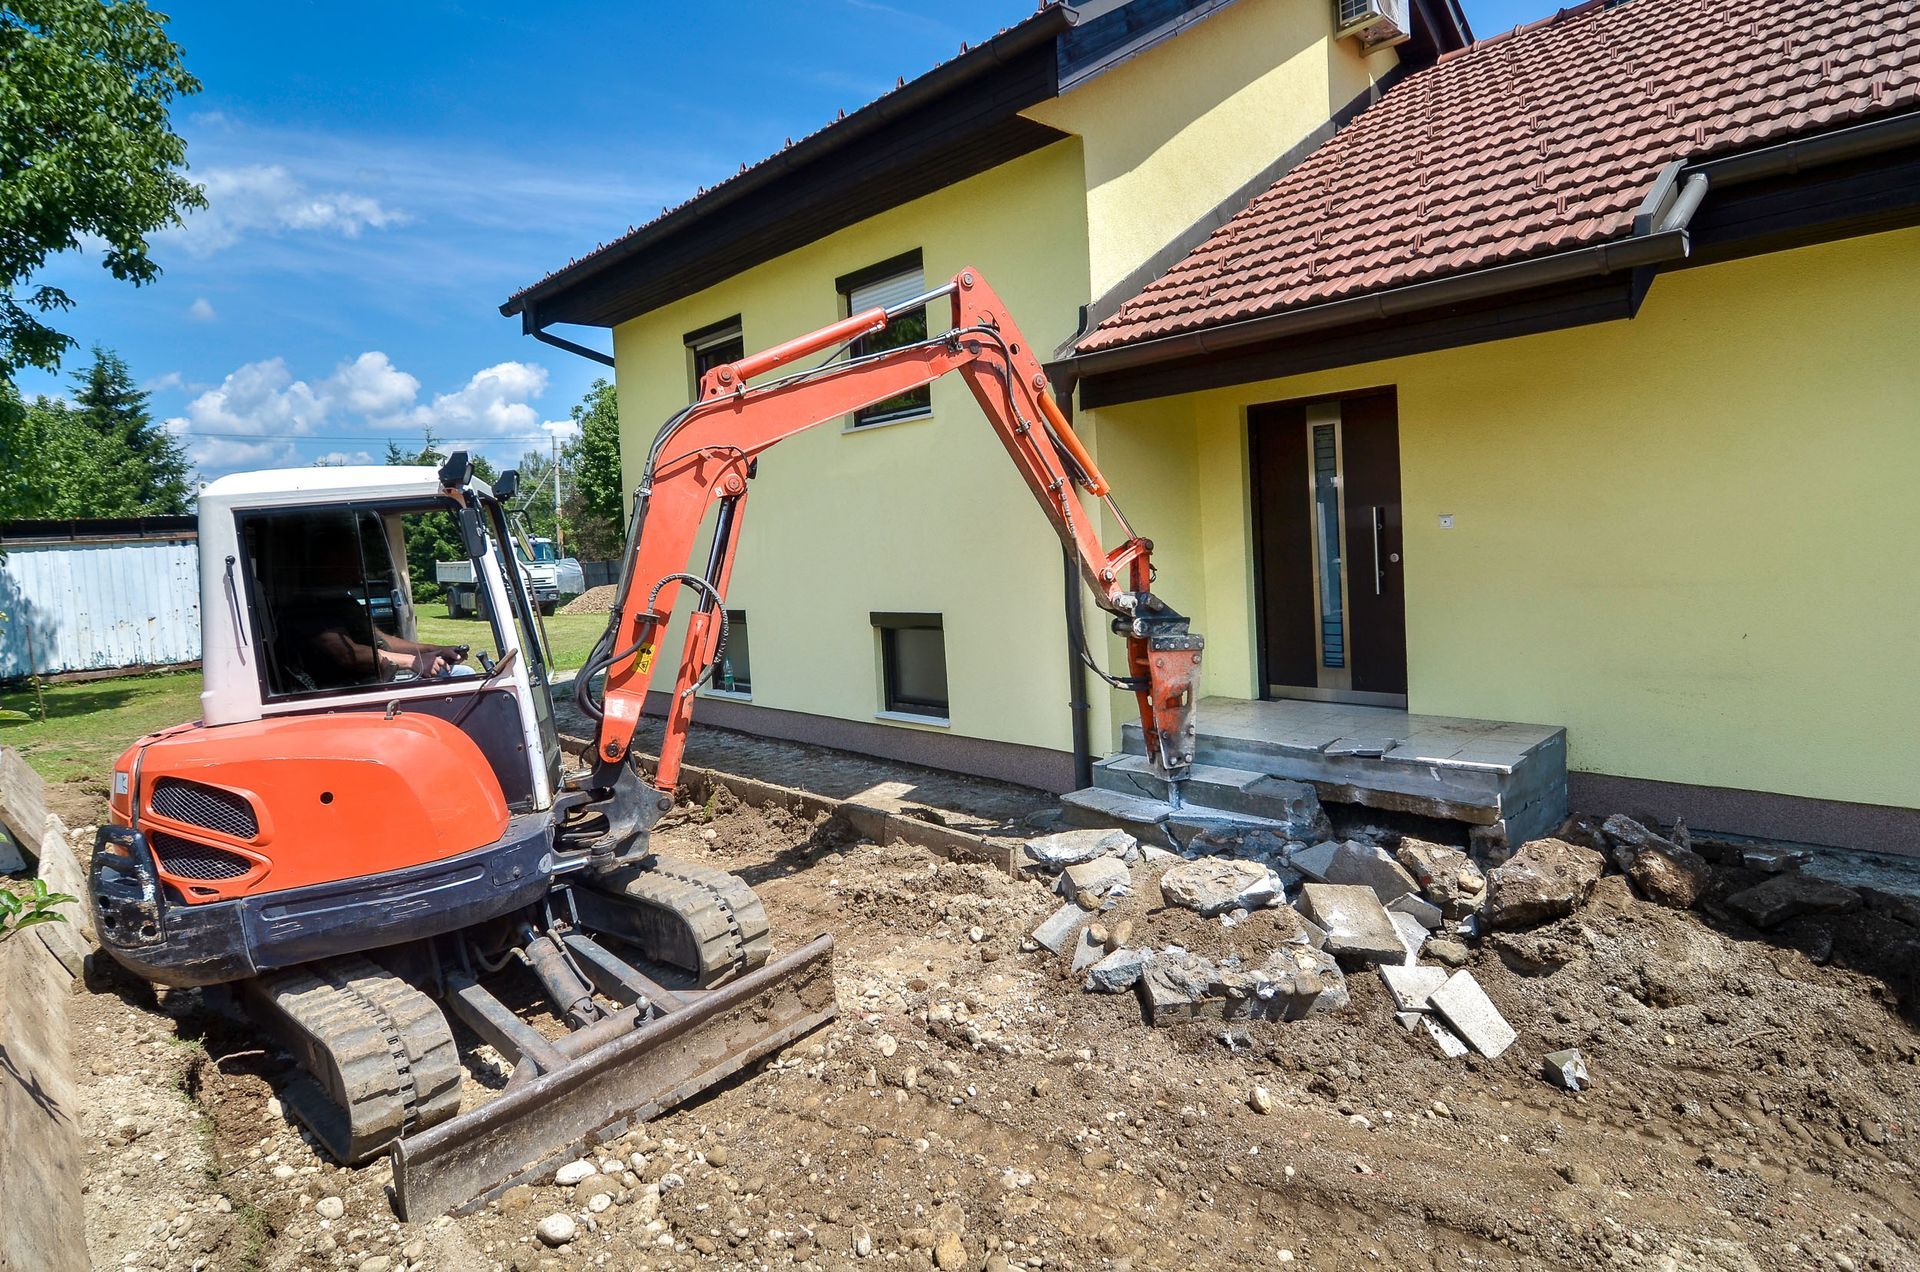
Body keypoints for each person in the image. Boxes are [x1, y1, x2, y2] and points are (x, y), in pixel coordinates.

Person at [277, 515, 469, 691]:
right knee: (465, 678)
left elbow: (383, 641)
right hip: (347, 690)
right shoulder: (308, 606)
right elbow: (347, 654)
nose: (361, 565)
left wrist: (435, 650)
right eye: (353, 557)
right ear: (331, 561)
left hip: (371, 681)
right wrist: (412, 661)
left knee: (463, 673)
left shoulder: (343, 600)